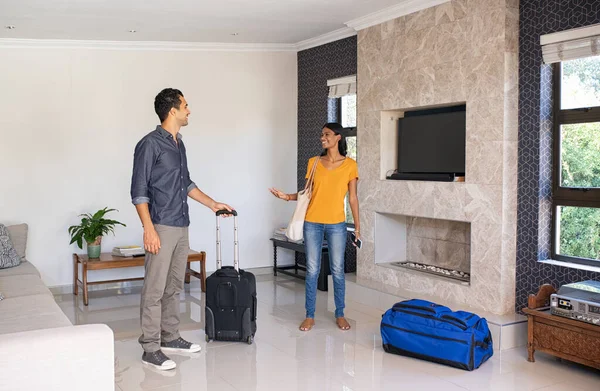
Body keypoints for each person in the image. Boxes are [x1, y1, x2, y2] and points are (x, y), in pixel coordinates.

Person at [131, 88, 234, 370]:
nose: (189, 110)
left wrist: (213, 204)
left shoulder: (179, 143)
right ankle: (150, 348)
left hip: (181, 223)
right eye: (186, 106)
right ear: (172, 110)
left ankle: (171, 337)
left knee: (174, 285)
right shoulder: (149, 144)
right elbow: (138, 191)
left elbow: (186, 183)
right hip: (161, 225)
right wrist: (148, 229)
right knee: (154, 288)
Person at [269, 122, 360, 332]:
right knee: (312, 271)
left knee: (337, 270)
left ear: (338, 137)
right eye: (322, 135)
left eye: (327, 134)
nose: (322, 138)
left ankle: (340, 313)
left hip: (337, 224)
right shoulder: (314, 163)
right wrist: (286, 197)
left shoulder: (350, 165)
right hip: (312, 222)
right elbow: (306, 193)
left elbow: (353, 199)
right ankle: (309, 315)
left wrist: (357, 226)